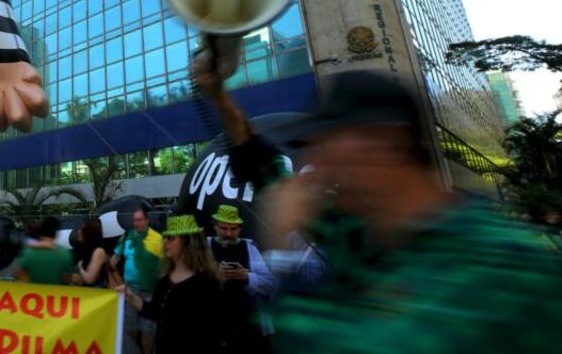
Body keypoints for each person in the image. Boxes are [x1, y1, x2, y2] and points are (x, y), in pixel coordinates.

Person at [193, 57, 562, 352]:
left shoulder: (497, 262)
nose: (319, 165)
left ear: (385, 142)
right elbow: (261, 164)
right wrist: (219, 96)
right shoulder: (361, 230)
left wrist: (284, 257)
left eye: (326, 144)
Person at [120, 215, 226, 353]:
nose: (165, 242)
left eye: (170, 238)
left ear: (187, 242)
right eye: (164, 238)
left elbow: (216, 330)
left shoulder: (206, 283)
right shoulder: (164, 280)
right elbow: (154, 311)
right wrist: (130, 296)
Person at [209, 205, 275, 353]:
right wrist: (215, 275)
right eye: (223, 228)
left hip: (247, 322)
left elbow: (269, 282)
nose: (228, 233)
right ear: (215, 227)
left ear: (239, 229)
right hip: (214, 323)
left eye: (233, 229)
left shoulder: (249, 247)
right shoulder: (205, 247)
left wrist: (246, 277)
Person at [110, 208, 163, 354]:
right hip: (129, 291)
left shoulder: (157, 239)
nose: (137, 223)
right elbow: (113, 261)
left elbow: (166, 264)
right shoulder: (127, 236)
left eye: (140, 220)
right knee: (128, 328)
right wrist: (118, 282)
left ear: (146, 220)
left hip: (150, 291)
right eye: (135, 220)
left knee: (148, 329)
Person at [15, 216, 72, 285]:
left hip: (33, 294)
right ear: (56, 232)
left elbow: (17, 274)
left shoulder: (29, 252)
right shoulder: (64, 254)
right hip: (55, 294)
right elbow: (67, 279)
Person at [76, 218, 110, 287]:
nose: (79, 231)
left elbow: (89, 279)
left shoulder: (98, 252)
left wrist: (80, 267)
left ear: (89, 233)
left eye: (82, 229)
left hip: (97, 295)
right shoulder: (87, 250)